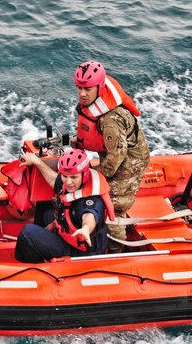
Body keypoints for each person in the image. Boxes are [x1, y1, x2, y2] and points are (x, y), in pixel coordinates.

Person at [72, 60, 149, 252]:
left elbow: (117, 156)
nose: (82, 93)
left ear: (99, 87)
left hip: (129, 161)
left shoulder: (111, 120)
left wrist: (93, 175)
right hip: (115, 154)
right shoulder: (93, 102)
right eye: (79, 88)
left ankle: (117, 251)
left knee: (111, 205)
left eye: (87, 89)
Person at [14, 148, 114, 263]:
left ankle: (34, 268)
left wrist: (86, 229)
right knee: (47, 213)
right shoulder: (71, 183)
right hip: (70, 236)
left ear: (84, 174)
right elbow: (55, 180)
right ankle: (40, 246)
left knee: (28, 232)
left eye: (73, 177)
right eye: (65, 176)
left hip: (82, 251)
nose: (68, 182)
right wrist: (37, 161)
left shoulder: (91, 201)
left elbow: (89, 216)